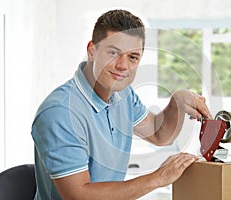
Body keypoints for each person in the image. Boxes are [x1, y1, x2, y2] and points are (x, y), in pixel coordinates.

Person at [31, 9, 212, 200]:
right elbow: (79, 196)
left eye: (132, 57)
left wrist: (177, 102)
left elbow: (159, 134)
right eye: (113, 53)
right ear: (91, 50)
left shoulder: (123, 94)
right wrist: (158, 178)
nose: (123, 66)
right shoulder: (60, 112)